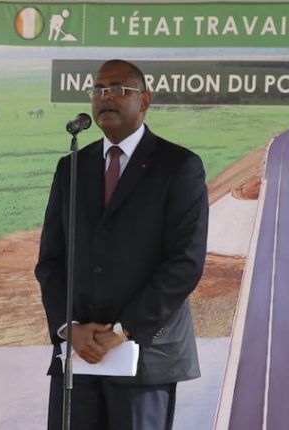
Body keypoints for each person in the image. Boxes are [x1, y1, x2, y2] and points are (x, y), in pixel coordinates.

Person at [35, 59, 209, 430]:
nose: (105, 98)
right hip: (77, 358)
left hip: (143, 357)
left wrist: (121, 331)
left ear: (144, 101)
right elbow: (51, 261)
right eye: (98, 90)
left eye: (118, 89)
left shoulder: (178, 166)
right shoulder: (72, 168)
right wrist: (70, 328)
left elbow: (184, 264)